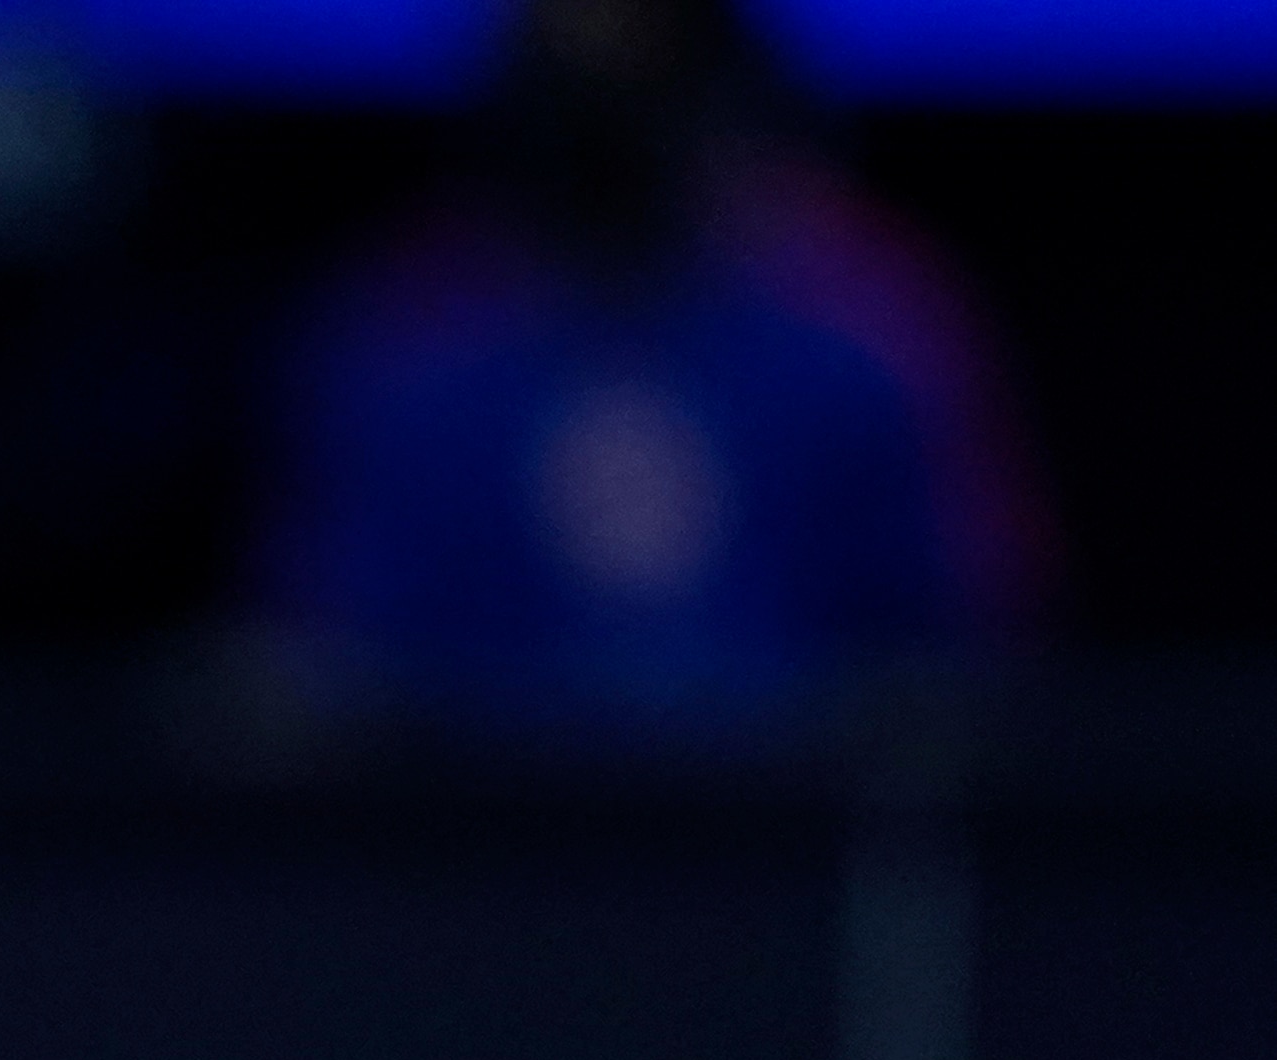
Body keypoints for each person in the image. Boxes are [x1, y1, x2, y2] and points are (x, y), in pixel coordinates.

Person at [261, 0, 1045, 736]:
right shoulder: (409, 338)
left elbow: (971, 662)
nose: (609, 65)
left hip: (797, 844)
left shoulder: (867, 321)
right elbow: (329, 668)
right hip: (476, 855)